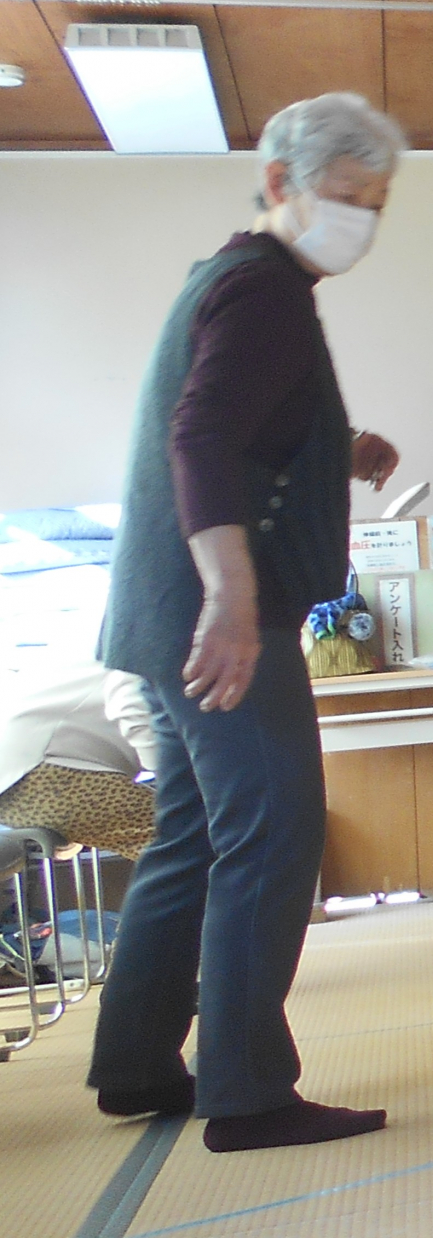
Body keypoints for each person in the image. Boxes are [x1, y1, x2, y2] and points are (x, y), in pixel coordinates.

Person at [87, 93, 404, 1152]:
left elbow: (241, 425)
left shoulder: (229, 278)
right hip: (218, 618)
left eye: (377, 202)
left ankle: (137, 1062)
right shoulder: (266, 289)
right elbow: (202, 436)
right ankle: (248, 1091)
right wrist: (229, 596)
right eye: (349, 196)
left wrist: (338, 450)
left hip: (156, 611)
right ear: (280, 184)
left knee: (192, 831)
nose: (362, 219)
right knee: (272, 830)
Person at [0, 663, 158, 859]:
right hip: (40, 769)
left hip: (30, 763)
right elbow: (131, 703)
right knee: (183, 838)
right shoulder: (158, 646)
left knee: (179, 839)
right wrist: (164, 770)